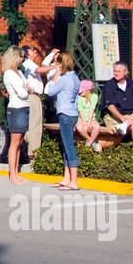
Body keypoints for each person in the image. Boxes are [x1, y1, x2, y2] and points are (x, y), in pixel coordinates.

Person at [45, 52, 81, 190]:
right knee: (66, 146)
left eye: (56, 64)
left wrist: (56, 75)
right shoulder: (75, 77)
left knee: (69, 146)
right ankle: (67, 178)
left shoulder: (65, 79)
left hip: (65, 114)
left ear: (60, 65)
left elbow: (50, 91)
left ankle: (74, 181)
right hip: (72, 113)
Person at [20, 44, 57, 161]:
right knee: (35, 123)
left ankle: (29, 148)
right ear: (27, 53)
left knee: (32, 123)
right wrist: (55, 67)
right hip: (32, 96)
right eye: (32, 50)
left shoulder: (30, 63)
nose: (35, 51)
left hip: (33, 96)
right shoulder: (27, 63)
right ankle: (33, 151)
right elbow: (39, 70)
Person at [0, 46, 30, 185]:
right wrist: (26, 90)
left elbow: (28, 87)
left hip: (24, 107)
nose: (22, 59)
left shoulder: (19, 72)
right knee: (15, 142)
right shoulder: (9, 74)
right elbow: (22, 92)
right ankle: (12, 175)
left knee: (20, 142)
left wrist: (26, 89)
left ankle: (17, 173)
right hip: (16, 108)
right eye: (20, 56)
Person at [74, 79, 103, 153]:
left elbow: (91, 110)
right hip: (81, 118)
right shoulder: (79, 98)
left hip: (91, 118)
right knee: (79, 128)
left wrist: (89, 122)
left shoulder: (94, 97)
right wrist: (84, 123)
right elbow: (80, 110)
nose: (80, 92)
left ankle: (88, 144)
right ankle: (91, 141)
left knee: (97, 127)